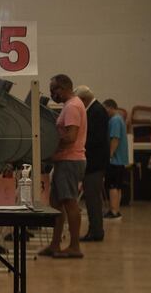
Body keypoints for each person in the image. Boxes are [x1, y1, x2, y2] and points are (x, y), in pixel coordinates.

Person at [39, 74, 87, 259]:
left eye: (54, 90)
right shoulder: (70, 105)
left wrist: (49, 146)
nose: (52, 94)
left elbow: (70, 137)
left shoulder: (73, 106)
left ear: (64, 87)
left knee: (70, 203)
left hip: (70, 160)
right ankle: (55, 244)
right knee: (56, 204)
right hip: (64, 160)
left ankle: (75, 246)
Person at [74, 86, 109, 242]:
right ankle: (95, 230)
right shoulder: (96, 110)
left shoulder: (96, 112)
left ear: (83, 100)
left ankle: (96, 231)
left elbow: (95, 139)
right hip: (95, 163)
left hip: (95, 164)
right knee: (92, 198)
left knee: (92, 199)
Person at [103, 99, 128, 220]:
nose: (104, 112)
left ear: (110, 107)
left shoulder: (115, 120)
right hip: (121, 160)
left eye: (105, 109)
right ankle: (116, 210)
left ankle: (113, 211)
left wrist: (110, 154)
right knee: (117, 186)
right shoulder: (120, 119)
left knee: (112, 186)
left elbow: (115, 139)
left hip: (115, 160)